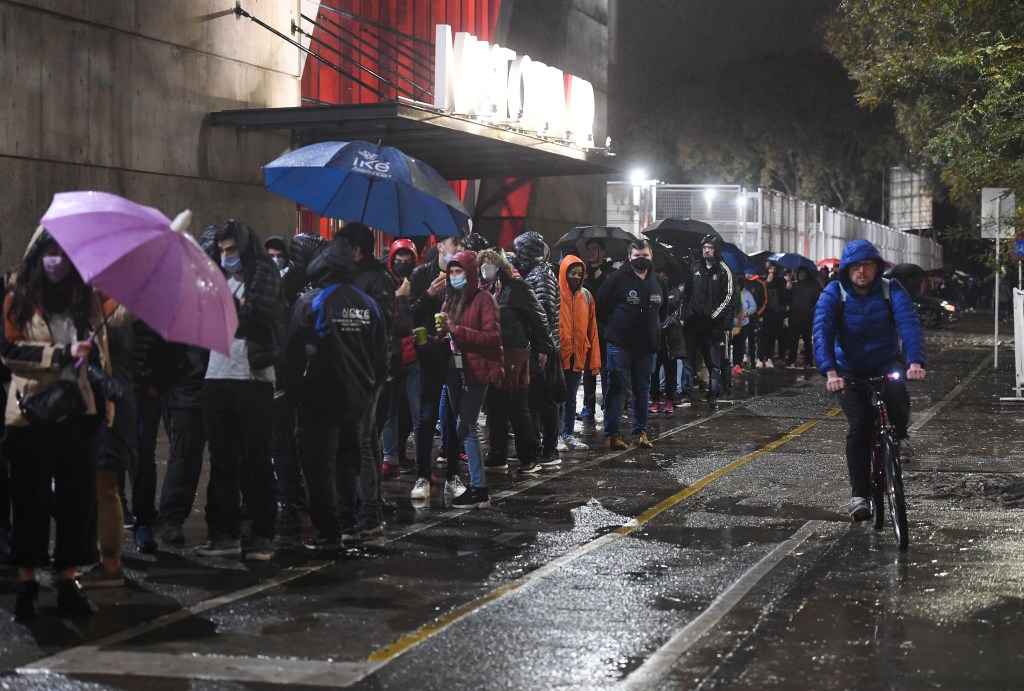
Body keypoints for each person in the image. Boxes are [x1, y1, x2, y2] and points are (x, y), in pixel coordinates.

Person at [2, 227, 109, 616]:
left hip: (78, 413)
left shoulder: (86, 298)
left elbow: (109, 335)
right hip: (30, 413)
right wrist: (61, 354)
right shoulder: (17, 300)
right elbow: (9, 351)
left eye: (63, 254)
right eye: (49, 253)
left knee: (76, 500)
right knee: (28, 499)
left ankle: (68, 578)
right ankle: (27, 580)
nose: (56, 261)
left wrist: (91, 356)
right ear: (35, 258)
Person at [285, 237, 388, 550]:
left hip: (319, 401)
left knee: (318, 466)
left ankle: (328, 529)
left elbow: (291, 356)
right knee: (348, 465)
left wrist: (294, 394)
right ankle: (348, 524)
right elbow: (381, 356)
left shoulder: (312, 302)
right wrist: (369, 393)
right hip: (357, 401)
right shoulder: (369, 305)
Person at [813, 239, 926, 520]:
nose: (861, 271)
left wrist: (914, 362)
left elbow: (908, 323)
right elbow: (821, 332)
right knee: (860, 425)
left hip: (884, 360)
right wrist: (830, 373)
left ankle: (901, 436)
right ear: (847, 270)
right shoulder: (833, 292)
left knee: (896, 387)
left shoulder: (891, 289)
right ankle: (859, 495)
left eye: (867, 265)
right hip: (847, 368)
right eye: (856, 266)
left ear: (877, 268)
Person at [198, 220, 281, 561]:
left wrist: (231, 311)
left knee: (256, 458)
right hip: (217, 376)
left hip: (253, 378)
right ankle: (225, 533)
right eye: (222, 250)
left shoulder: (264, 277)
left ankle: (262, 535)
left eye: (232, 250)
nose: (226, 256)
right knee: (222, 459)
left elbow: (260, 317)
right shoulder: (216, 279)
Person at [435, 250, 503, 508]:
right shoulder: (450, 299)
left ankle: (478, 487)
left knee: (467, 425)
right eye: (451, 272)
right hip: (455, 369)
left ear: (470, 273)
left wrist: (457, 330)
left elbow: (493, 338)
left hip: (477, 370)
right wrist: (434, 337)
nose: (454, 277)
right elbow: (445, 337)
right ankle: (477, 485)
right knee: (462, 426)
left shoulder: (484, 300)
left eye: (459, 272)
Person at [478, 248, 553, 474]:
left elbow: (540, 318)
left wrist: (543, 348)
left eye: (491, 262)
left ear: (500, 265)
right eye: (483, 263)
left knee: (517, 407)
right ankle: (497, 454)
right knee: (494, 407)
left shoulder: (516, 288)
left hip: (514, 355)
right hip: (491, 356)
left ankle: (528, 456)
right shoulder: (485, 290)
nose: (486, 267)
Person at [408, 234, 466, 501]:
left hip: (454, 356)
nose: (460, 249)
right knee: (426, 416)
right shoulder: (422, 274)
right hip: (427, 355)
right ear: (440, 246)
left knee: (455, 416)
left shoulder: (462, 274)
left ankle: (453, 475)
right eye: (455, 243)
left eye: (462, 246)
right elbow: (408, 314)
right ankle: (422, 475)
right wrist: (429, 295)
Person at [596, 238, 668, 450]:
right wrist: (613, 330)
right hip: (620, 346)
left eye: (645, 256)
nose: (641, 259)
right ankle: (612, 435)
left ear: (651, 256)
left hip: (647, 348)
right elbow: (600, 308)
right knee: (617, 388)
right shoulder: (616, 279)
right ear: (629, 257)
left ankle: (640, 433)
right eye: (637, 256)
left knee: (642, 390)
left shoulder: (658, 281)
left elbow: (662, 312)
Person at [512, 232, 562, 466]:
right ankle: (538, 444)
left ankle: (551, 449)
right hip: (538, 345)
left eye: (520, 250)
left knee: (545, 399)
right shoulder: (532, 273)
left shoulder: (541, 275)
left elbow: (545, 313)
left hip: (544, 347)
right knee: (534, 399)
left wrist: (543, 347)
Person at [680, 235, 733, 411]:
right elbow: (686, 294)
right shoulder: (694, 267)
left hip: (712, 327)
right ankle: (685, 394)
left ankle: (713, 395)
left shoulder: (724, 271)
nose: (706, 250)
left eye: (710, 247)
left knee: (713, 363)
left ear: (716, 249)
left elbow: (727, 298)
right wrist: (684, 315)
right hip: (692, 324)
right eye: (704, 247)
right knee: (688, 361)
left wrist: (714, 317)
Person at [381, 238, 419, 479]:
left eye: (407, 260)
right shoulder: (383, 283)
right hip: (393, 357)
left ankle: (413, 458)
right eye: (399, 260)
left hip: (413, 357)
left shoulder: (419, 278)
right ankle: (390, 458)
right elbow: (398, 323)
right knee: (390, 412)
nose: (402, 264)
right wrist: (400, 297)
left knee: (415, 412)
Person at [556, 254, 601, 451]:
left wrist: (595, 361)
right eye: (572, 273)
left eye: (579, 274)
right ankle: (555, 435)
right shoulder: (556, 294)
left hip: (578, 354)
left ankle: (568, 434)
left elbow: (592, 329)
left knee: (570, 396)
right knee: (556, 397)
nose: (575, 277)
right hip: (558, 355)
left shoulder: (587, 296)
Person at [580, 238, 614, 420]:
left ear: (603, 251)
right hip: (587, 328)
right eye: (589, 249)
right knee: (588, 369)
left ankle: (608, 405)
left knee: (606, 368)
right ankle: (588, 406)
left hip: (605, 328)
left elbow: (608, 298)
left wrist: (602, 278)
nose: (591, 253)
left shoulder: (610, 273)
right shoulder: (584, 272)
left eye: (594, 249)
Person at [784, 267, 821, 369]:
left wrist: (811, 313)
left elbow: (816, 301)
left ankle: (809, 362)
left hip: (807, 319)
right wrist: (787, 289)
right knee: (793, 341)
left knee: (807, 341)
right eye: (800, 272)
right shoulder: (793, 285)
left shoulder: (813, 286)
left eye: (804, 272)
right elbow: (786, 299)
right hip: (794, 317)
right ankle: (791, 360)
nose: (802, 274)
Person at [757, 264, 785, 368]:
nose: (772, 271)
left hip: (777, 313)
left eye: (774, 269)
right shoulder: (763, 280)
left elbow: (783, 297)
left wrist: (787, 288)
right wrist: (767, 282)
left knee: (772, 336)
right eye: (770, 269)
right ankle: (760, 357)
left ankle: (769, 357)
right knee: (763, 336)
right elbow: (760, 294)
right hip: (766, 312)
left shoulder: (780, 281)